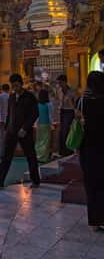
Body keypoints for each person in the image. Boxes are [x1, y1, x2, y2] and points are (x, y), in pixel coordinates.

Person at [0, 74, 40, 189]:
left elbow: (34, 114)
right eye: (13, 86)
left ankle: (35, 180)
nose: (15, 88)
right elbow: (9, 114)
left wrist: (25, 128)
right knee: (6, 157)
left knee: (30, 156)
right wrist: (7, 128)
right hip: (12, 131)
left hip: (24, 131)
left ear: (21, 84)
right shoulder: (11, 97)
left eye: (17, 85)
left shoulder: (29, 97)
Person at [79, 71, 104, 232]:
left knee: (91, 184)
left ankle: (94, 220)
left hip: (87, 147)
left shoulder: (83, 101)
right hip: (102, 146)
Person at [57, 74, 76, 156]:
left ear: (65, 82)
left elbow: (74, 102)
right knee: (62, 130)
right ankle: (62, 150)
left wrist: (75, 111)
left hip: (69, 111)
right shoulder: (59, 90)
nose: (59, 84)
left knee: (66, 130)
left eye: (60, 82)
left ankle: (68, 150)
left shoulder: (71, 91)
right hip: (62, 110)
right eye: (58, 83)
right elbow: (58, 99)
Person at [35, 89, 53, 163]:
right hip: (46, 124)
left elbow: (36, 115)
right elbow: (50, 115)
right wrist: (51, 124)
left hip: (39, 124)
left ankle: (38, 156)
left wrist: (35, 123)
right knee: (46, 141)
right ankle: (44, 157)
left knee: (38, 141)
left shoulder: (37, 104)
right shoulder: (49, 104)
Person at [0, 84, 10, 159]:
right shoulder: (9, 97)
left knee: (1, 137)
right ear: (8, 89)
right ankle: (7, 153)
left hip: (0, 119)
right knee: (8, 136)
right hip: (7, 119)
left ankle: (0, 153)